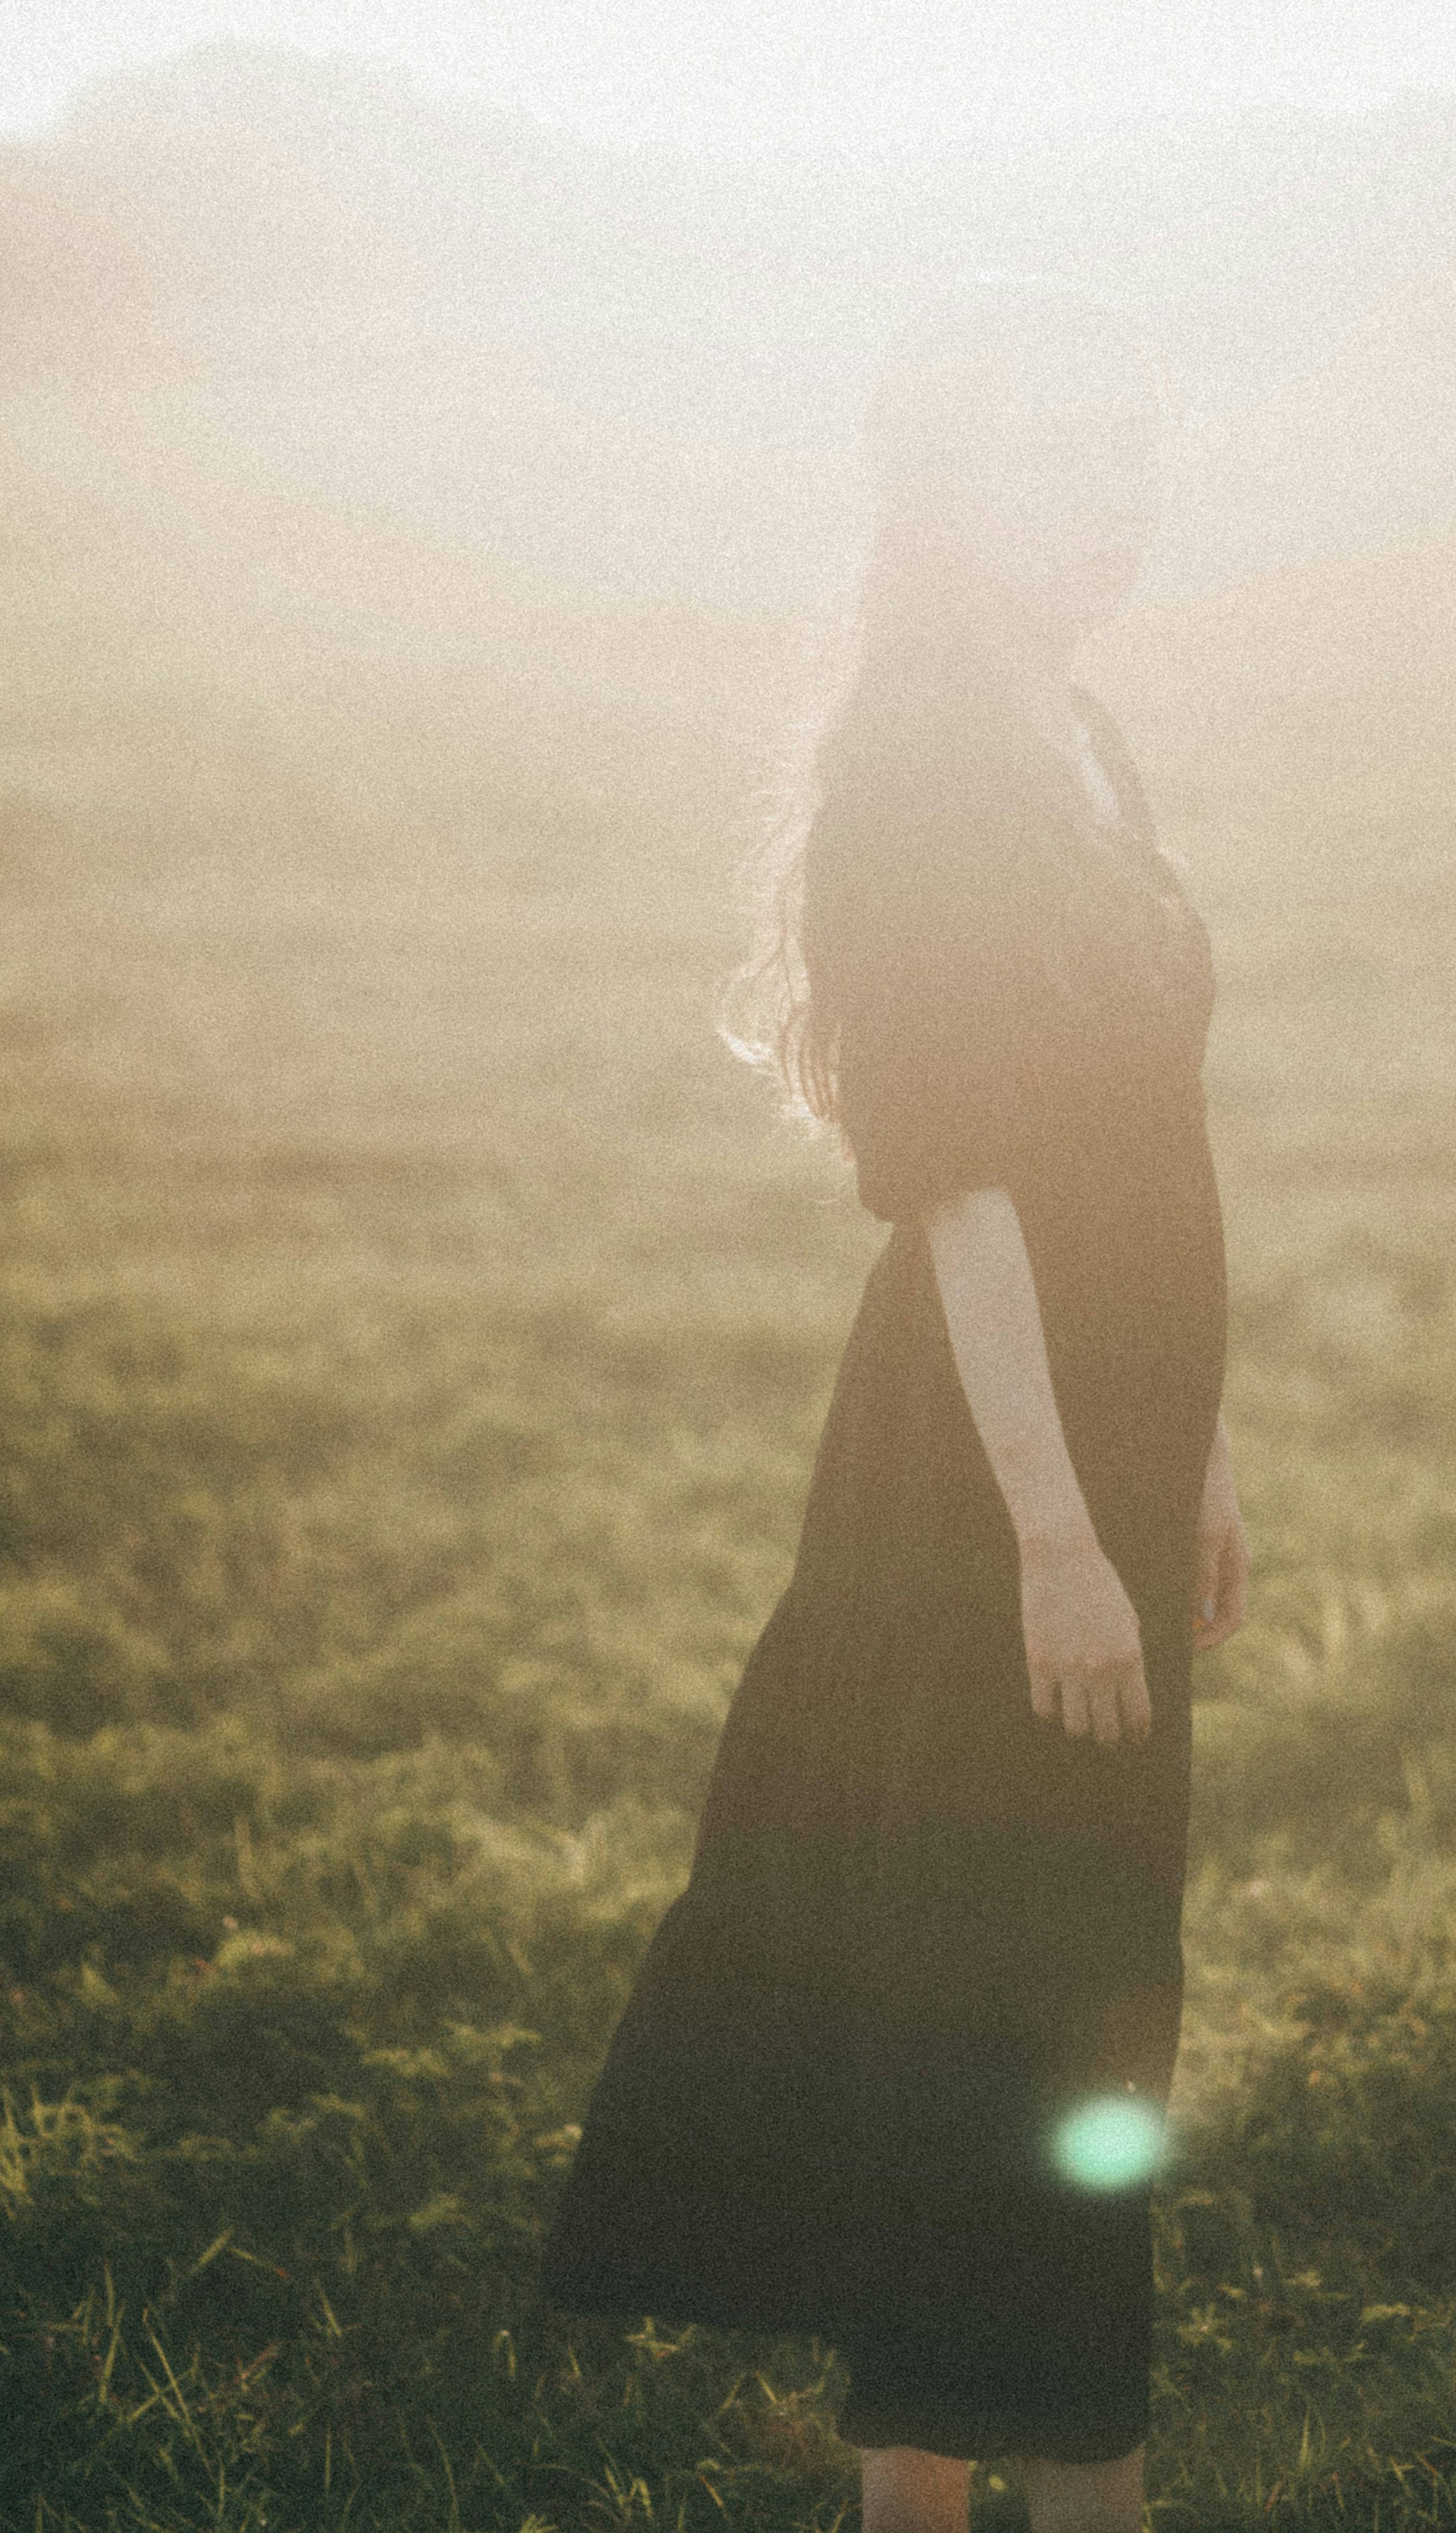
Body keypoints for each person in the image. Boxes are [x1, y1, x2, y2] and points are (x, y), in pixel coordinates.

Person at [542, 299, 1249, 2533]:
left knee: (1056, 1986)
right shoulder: (921, 771)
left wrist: (1198, 1447)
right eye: (1052, 466)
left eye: (1123, 465)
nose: (1104, 510)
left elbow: (1150, 1116)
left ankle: (940, 2490)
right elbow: (956, 1171)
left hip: (1114, 1439)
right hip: (978, 1463)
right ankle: (1050, 2495)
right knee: (1006, 1999)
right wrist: (1053, 1521)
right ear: (943, 497)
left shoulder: (1080, 735)